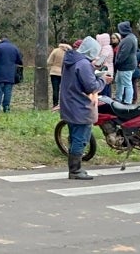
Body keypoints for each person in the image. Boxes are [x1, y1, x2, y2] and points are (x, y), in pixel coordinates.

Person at [60, 36, 113, 180]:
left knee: (74, 136)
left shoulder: (70, 60)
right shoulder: (83, 64)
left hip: (69, 104)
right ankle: (75, 170)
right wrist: (102, 80)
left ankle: (74, 168)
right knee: (80, 138)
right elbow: (91, 87)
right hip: (80, 106)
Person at [0, 36, 24, 114]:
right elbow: (19, 59)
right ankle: (6, 108)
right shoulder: (15, 48)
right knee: (8, 92)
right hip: (10, 74)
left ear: (1, 40)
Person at [113, 21, 137, 105]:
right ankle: (118, 99)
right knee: (119, 82)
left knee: (127, 84)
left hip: (126, 66)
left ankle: (128, 102)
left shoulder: (128, 40)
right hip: (124, 66)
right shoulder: (130, 37)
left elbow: (123, 54)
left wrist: (117, 62)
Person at [46, 42, 72, 108]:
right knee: (64, 89)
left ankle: (55, 104)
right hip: (64, 73)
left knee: (55, 89)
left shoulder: (55, 51)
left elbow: (49, 62)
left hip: (54, 72)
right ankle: (64, 104)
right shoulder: (69, 52)